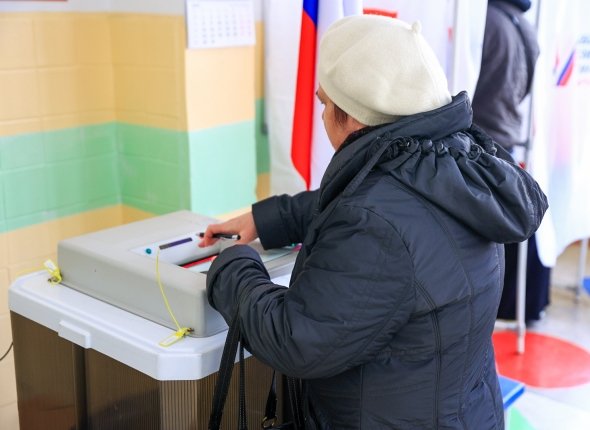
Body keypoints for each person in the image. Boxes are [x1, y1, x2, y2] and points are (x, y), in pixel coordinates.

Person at [200, 15, 547, 429]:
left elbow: (297, 340)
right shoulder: (455, 163)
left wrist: (233, 265)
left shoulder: (374, 226)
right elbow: (384, 201)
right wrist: (267, 219)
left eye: (325, 104)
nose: (322, 117)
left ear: (355, 118)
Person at [471, 0, 551, 323]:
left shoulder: (485, 19)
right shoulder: (523, 26)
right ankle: (520, 307)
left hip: (477, 136)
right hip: (507, 136)